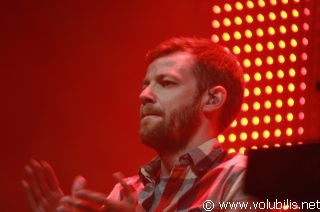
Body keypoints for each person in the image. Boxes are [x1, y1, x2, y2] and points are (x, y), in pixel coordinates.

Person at [22, 37, 253, 211]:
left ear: (212, 99)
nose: (144, 95)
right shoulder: (125, 192)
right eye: (145, 85)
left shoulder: (244, 177)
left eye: (166, 83)